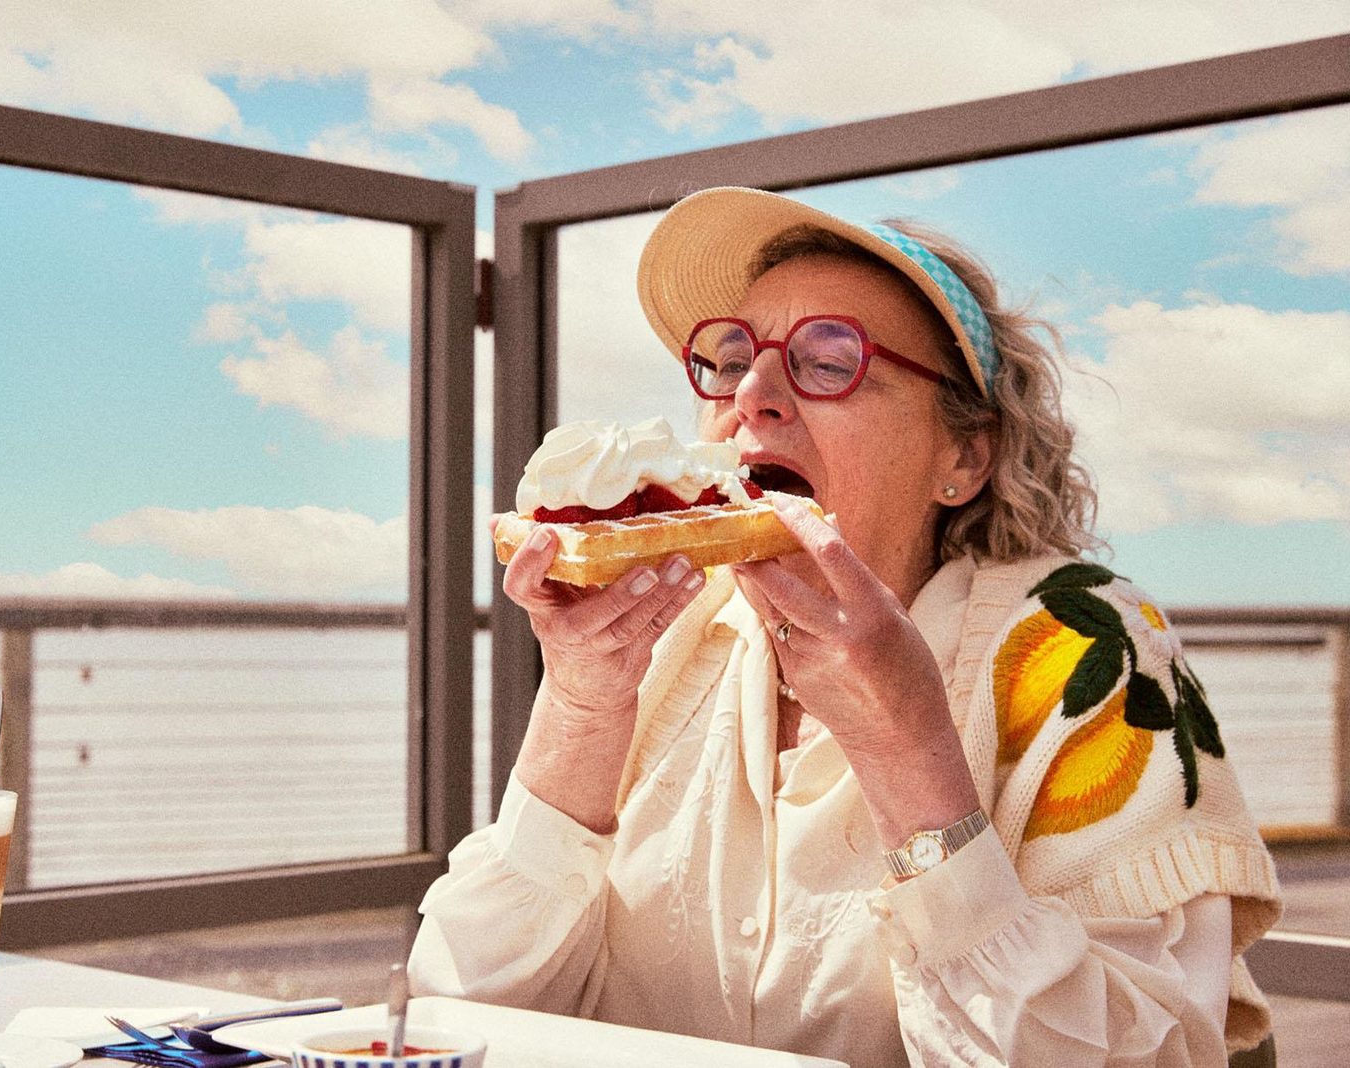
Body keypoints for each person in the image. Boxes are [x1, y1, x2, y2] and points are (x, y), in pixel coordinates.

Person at [408, 186, 1281, 1066]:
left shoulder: (1087, 645)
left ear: (964, 456)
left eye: (831, 360)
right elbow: (458, 1016)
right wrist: (583, 712)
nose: (752, 394)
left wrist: (908, 751)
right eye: (730, 356)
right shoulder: (669, 625)